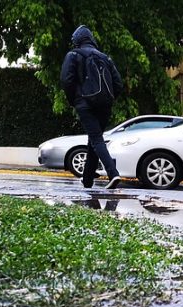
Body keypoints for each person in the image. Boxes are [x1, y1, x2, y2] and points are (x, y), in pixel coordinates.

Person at [60, 25, 124, 190]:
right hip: (105, 105)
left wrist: (74, 100)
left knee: (96, 139)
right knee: (94, 141)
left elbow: (67, 80)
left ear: (77, 40)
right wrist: (109, 100)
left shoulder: (73, 55)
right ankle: (87, 181)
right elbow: (118, 84)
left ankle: (113, 173)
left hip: (85, 103)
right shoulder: (105, 58)